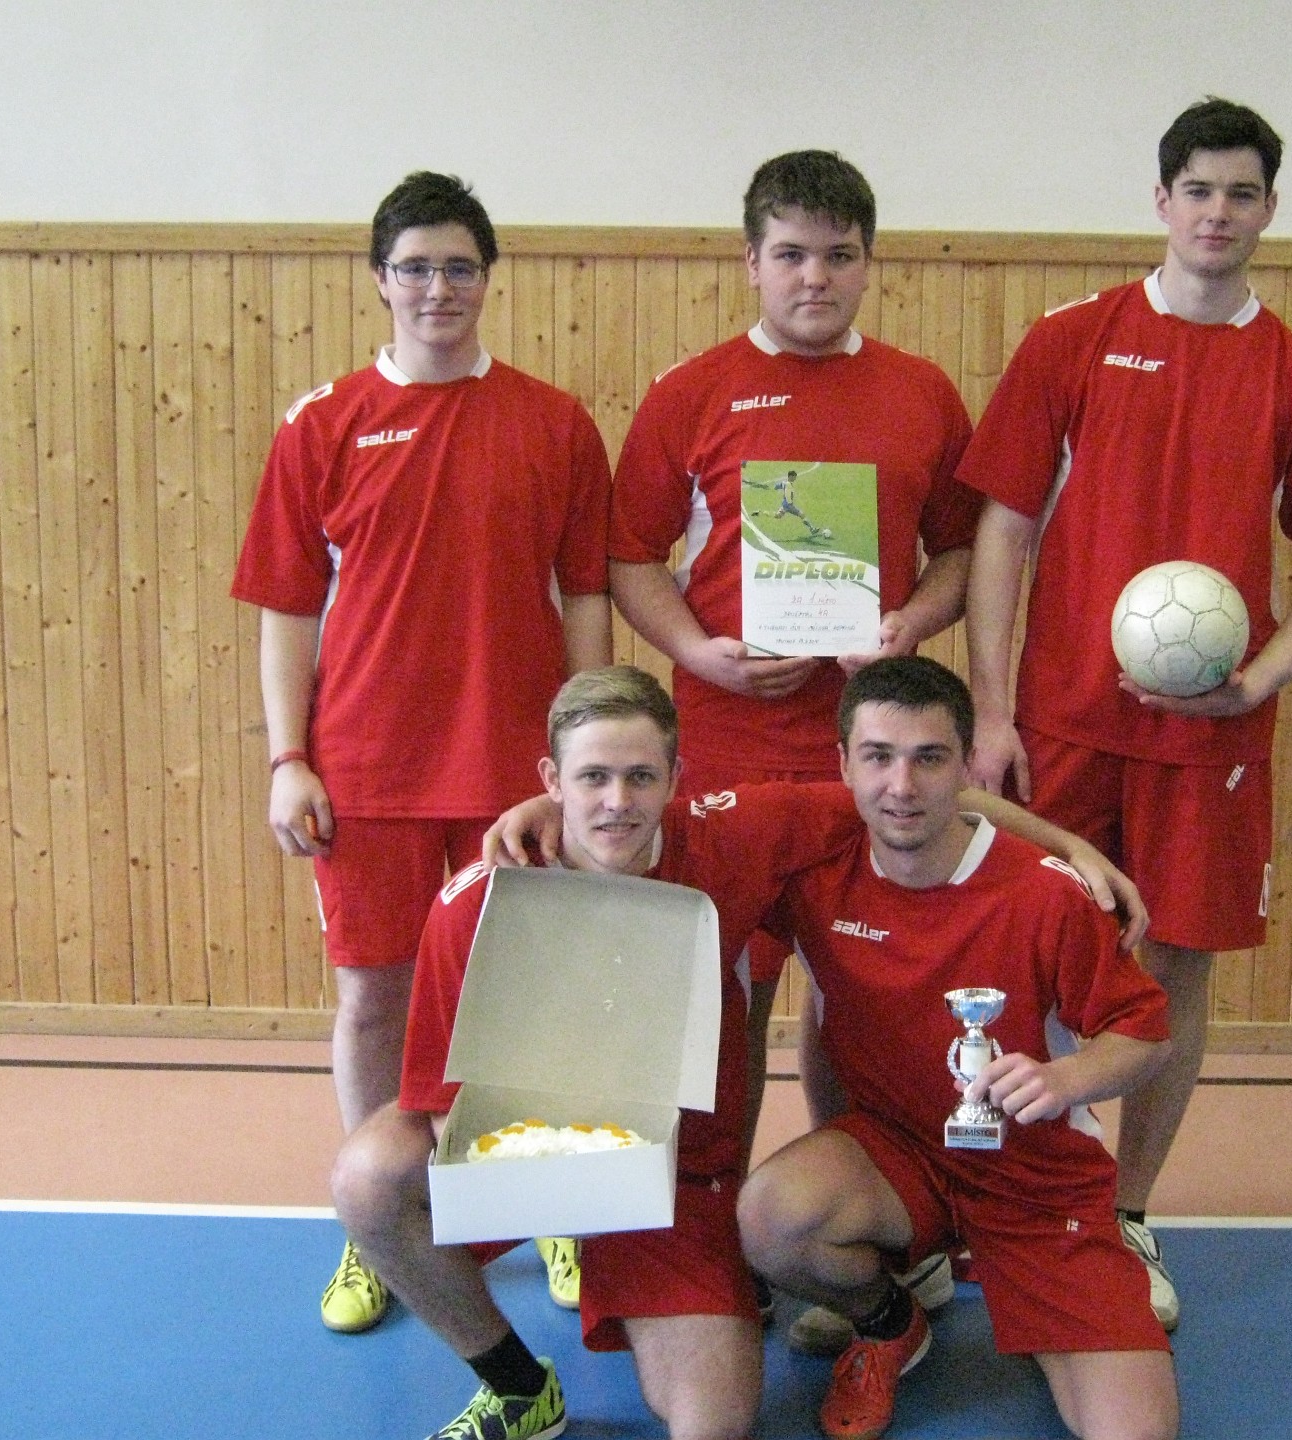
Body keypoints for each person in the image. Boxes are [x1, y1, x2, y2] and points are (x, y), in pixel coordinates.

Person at [333, 666, 1136, 1440]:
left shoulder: (733, 836)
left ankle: (877, 1316)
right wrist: (557, 1186)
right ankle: (517, 1389)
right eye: (592, 778)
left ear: (677, 778)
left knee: (714, 1422)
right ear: (551, 779)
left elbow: (918, 795)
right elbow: (441, 1113)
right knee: (370, 1176)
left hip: (676, 1180)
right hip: (534, 1159)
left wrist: (1076, 852)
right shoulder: (476, 904)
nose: (617, 801)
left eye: (640, 777)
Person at [958, 98, 1292, 1330]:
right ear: (1161, 201)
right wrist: (993, 706)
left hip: (1208, 747)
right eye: (1197, 190)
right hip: (1063, 721)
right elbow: (1004, 529)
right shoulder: (1074, 342)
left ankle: (1126, 1210)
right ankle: (1022, 1191)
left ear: (1269, 209)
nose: (1217, 213)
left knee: (1175, 968)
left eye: (1241, 193)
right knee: (1024, 953)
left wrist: (1256, 683)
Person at [231, 171, 612, 1333]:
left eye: (457, 267)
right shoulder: (323, 424)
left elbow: (586, 598)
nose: (436, 287)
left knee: (528, 1002)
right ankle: (380, 1228)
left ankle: (548, 1203)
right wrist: (288, 759)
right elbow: (288, 609)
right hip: (371, 770)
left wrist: (586, 756)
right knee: (375, 1000)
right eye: (414, 268)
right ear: (379, 281)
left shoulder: (554, 422)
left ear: (487, 279)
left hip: (513, 773)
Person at [608, 149, 983, 1208]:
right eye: (790, 255)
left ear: (869, 263)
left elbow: (963, 551)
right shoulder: (691, 393)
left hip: (874, 753)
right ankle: (702, 1209)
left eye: (838, 255)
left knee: (861, 988)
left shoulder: (921, 393)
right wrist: (698, 652)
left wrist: (909, 624)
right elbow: (628, 557)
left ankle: (856, 1209)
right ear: (751, 261)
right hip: (727, 741)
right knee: (725, 988)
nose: (815, 276)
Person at [739, 656, 1179, 1440]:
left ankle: (1044, 1299)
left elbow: (1145, 1034)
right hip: (897, 1158)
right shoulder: (813, 873)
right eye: (878, 757)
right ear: (843, 764)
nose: (901, 786)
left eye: (929, 758)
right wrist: (554, 804)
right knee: (772, 1217)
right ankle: (890, 1322)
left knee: (1134, 1433)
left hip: (1035, 1184)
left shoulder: (1046, 893)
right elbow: (661, 831)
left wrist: (1067, 1077)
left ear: (968, 766)